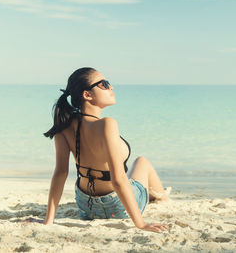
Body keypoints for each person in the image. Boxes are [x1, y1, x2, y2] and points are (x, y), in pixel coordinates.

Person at [42, 67, 169, 233]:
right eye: (104, 84)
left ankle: (157, 195)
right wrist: (141, 224)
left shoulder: (64, 127)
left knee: (134, 173)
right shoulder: (107, 124)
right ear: (87, 95)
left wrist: (48, 221)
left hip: (86, 208)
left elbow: (60, 173)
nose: (111, 87)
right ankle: (163, 198)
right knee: (142, 162)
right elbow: (118, 179)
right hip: (117, 205)